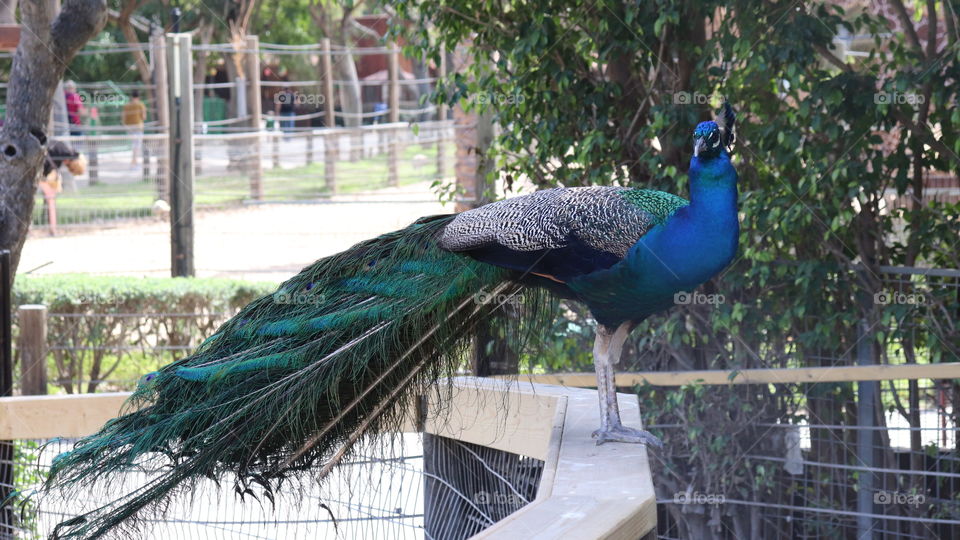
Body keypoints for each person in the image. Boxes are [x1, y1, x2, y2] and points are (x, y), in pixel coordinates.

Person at [40, 141, 86, 236]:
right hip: (38, 171)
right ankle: (53, 229)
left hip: (41, 173)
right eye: (68, 166)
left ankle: (53, 229)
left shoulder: (62, 152)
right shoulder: (63, 152)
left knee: (51, 197)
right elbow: (46, 158)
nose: (66, 165)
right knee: (50, 196)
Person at [122, 90, 147, 166]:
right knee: (137, 144)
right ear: (138, 97)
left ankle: (134, 160)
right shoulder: (141, 105)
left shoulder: (127, 106)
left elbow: (124, 118)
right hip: (138, 126)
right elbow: (144, 117)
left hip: (129, 127)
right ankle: (134, 160)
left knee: (134, 143)